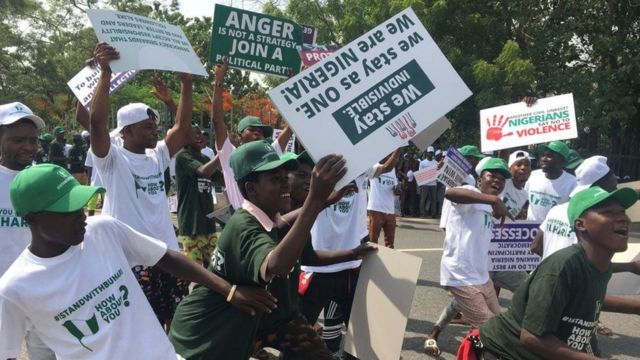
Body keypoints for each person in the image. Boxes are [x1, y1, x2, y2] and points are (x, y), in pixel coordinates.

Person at [0, 163, 277, 360]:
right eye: (67, 210)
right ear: (32, 218)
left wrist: (228, 290)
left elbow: (165, 256)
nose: (82, 214)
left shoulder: (102, 231)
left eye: (81, 204)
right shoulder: (15, 288)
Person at [168, 141, 347, 360]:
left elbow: (282, 225)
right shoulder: (244, 226)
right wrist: (315, 199)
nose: (286, 185)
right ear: (251, 189)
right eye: (275, 179)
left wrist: (321, 203)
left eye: (284, 178)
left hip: (252, 324)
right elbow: (277, 265)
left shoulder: (266, 218)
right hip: (208, 337)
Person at [89, 42, 194, 327]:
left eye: (154, 127)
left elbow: (182, 129)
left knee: (171, 322)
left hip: (166, 256)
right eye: (147, 127)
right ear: (127, 131)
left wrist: (186, 83)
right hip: (131, 259)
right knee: (135, 325)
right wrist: (105, 75)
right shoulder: (112, 160)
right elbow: (97, 125)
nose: (154, 132)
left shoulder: (156, 155)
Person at [476, 186, 640, 360]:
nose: (622, 218)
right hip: (507, 352)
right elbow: (531, 337)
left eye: (622, 212)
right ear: (581, 224)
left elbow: (588, 298)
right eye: (608, 213)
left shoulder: (601, 265)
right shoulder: (562, 268)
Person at [252, 150, 377, 360]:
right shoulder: (258, 218)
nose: (310, 181)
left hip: (282, 308)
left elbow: (309, 256)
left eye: (311, 176)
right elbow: (278, 227)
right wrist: (319, 200)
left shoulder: (300, 210)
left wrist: (353, 253)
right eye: (301, 176)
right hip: (252, 313)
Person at [299, 150, 399, 356]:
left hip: (350, 269)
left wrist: (400, 143)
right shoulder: (322, 170)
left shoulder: (363, 167)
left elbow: (386, 168)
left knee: (362, 335)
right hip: (316, 268)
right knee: (297, 336)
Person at [424, 158, 512, 357]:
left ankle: (445, 337)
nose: (498, 180)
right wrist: (494, 200)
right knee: (492, 329)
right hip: (461, 275)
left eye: (502, 178)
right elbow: (450, 192)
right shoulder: (473, 193)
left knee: (500, 322)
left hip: (481, 276)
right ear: (480, 179)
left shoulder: (488, 205)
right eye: (492, 176)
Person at [0, 101, 56, 360]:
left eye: (33, 140)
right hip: (3, 292)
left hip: (41, 289)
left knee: (47, 354)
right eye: (18, 139)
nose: (29, 147)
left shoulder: (46, 179)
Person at [211, 58, 292, 210]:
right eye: (252, 129)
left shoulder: (269, 154)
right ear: (240, 134)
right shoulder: (231, 154)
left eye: (260, 131)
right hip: (243, 220)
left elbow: (290, 128)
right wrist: (219, 81)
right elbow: (217, 121)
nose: (257, 133)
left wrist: (291, 86)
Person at [175, 125, 220, 267]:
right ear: (185, 139)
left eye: (200, 133)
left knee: (214, 269)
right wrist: (222, 154)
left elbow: (222, 179)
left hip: (208, 224)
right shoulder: (183, 156)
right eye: (194, 134)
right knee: (196, 272)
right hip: (191, 226)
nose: (199, 136)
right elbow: (203, 172)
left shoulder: (206, 158)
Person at [525, 141, 576, 221]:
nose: (543, 159)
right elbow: (525, 200)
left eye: (549, 156)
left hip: (553, 230)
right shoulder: (533, 175)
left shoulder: (572, 183)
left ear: (562, 160)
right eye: (543, 155)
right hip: (530, 229)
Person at [367, 152, 400, 248]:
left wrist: (397, 189)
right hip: (376, 209)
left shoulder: (392, 169)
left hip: (390, 210)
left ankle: (388, 262)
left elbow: (395, 187)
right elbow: (386, 167)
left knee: (390, 245)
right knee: (373, 242)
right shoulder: (374, 166)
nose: (387, 155)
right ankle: (371, 263)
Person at [418, 146, 438, 218]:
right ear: (427, 153)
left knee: (434, 199)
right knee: (423, 199)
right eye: (429, 153)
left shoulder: (436, 163)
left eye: (431, 153)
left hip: (433, 183)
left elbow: (438, 172)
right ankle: (422, 213)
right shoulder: (422, 163)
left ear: (433, 154)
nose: (430, 154)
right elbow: (420, 173)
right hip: (425, 184)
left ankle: (433, 214)